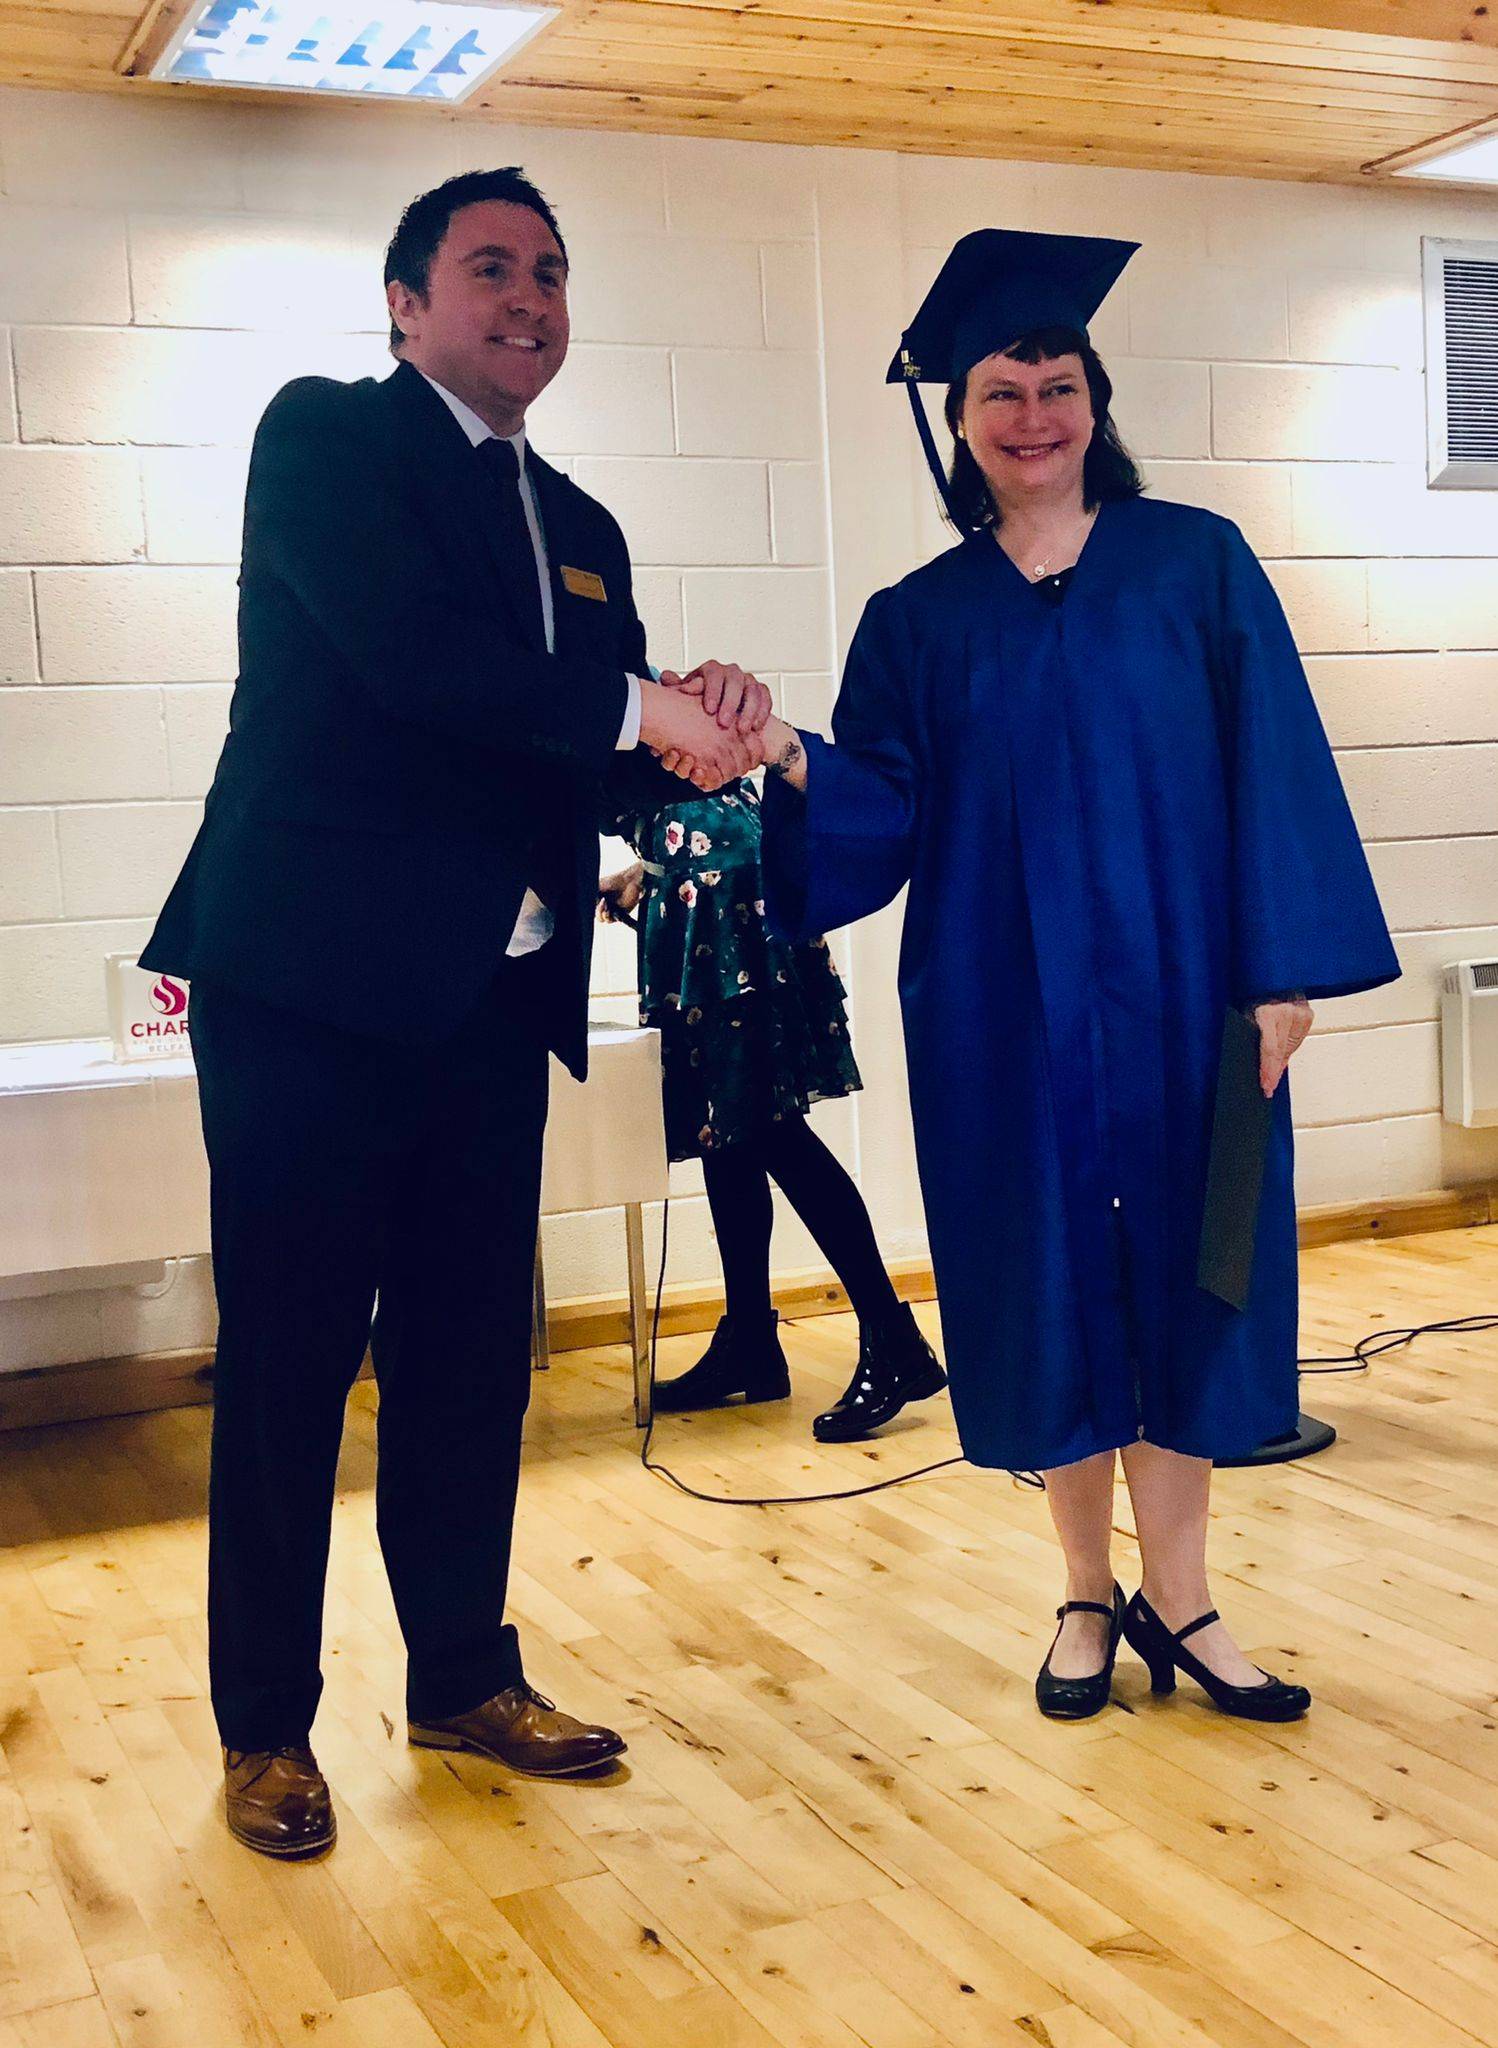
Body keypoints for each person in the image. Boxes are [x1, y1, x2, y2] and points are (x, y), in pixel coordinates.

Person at [139, 167, 773, 1858]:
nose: (529, 297)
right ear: (406, 303)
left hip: (493, 1004)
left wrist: (701, 730)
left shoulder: (582, 528)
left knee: (472, 1357)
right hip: (310, 992)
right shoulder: (327, 440)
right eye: (490, 267)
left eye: (551, 273)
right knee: (290, 1362)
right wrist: (636, 707)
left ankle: (460, 1678)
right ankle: (265, 1727)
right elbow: (414, 661)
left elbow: (594, 759)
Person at [751, 229, 1399, 1725]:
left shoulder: (1195, 563)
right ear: (959, 421)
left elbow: (1273, 762)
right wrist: (787, 753)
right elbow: (881, 815)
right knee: (1043, 1282)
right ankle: (1084, 1594)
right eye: (1000, 390)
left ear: (1096, 403)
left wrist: (1283, 973)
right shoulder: (916, 620)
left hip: (1189, 1000)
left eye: (1057, 386)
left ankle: (1187, 1600)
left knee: (1190, 1281)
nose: (1032, 415)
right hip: (1004, 1013)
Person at [599, 775, 945, 1442]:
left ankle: (894, 1341)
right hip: (712, 863)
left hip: (717, 881)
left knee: (770, 1129)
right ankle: (751, 1341)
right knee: (728, 1131)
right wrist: (647, 866)